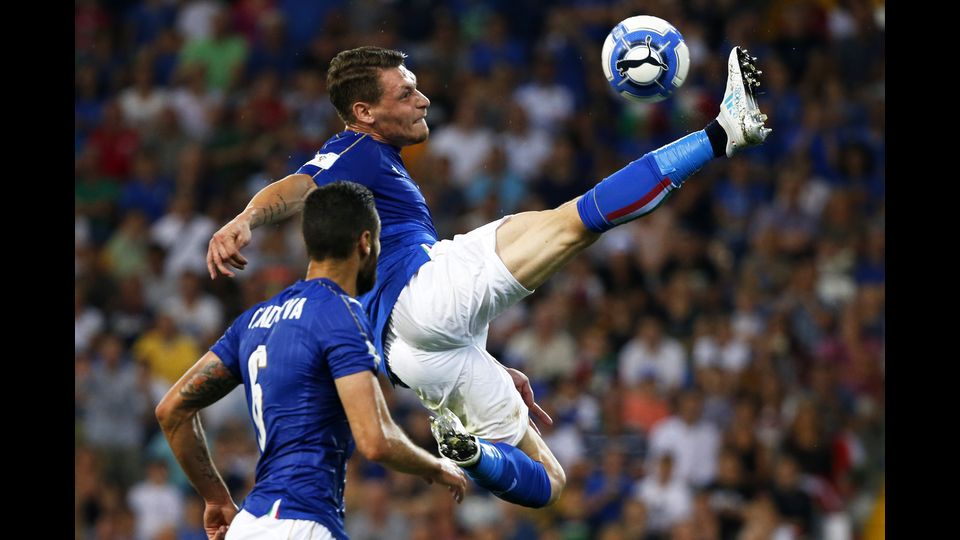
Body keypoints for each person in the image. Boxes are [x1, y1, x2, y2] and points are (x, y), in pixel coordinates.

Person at [206, 45, 770, 508]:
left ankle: (473, 455)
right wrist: (246, 218)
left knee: (549, 481)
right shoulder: (354, 148)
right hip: (422, 295)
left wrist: (490, 361)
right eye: (405, 93)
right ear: (363, 112)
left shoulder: (371, 155)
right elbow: (298, 188)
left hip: (411, 354)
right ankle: (723, 134)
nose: (423, 98)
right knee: (573, 223)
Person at [157, 182, 467, 540]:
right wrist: (435, 467)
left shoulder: (254, 320)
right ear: (365, 242)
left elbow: (172, 410)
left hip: (250, 523)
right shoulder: (341, 314)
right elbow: (374, 441)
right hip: (301, 524)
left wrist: (215, 497)